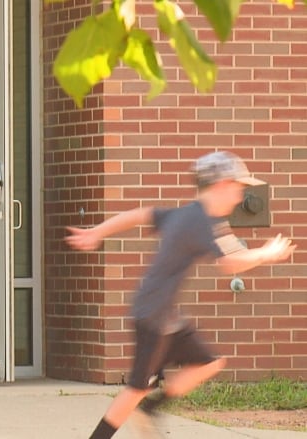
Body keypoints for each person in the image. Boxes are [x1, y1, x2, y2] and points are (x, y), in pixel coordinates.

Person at [64, 151, 296, 439]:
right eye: (238, 187)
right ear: (222, 184)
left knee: (208, 363)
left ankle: (150, 409)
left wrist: (97, 231)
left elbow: (139, 215)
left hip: (166, 315)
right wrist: (266, 253)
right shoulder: (200, 222)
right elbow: (230, 263)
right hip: (154, 315)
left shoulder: (190, 215)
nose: (239, 197)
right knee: (137, 388)